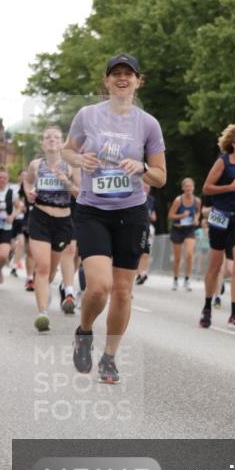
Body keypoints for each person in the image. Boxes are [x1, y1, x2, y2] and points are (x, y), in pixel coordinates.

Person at [62, 54, 166, 383]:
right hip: (93, 210)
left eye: (129, 74)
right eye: (116, 74)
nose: (122, 78)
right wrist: (80, 159)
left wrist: (143, 169)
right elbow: (66, 151)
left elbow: (162, 176)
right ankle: (85, 330)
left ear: (139, 81)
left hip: (132, 213)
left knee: (122, 292)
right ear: (106, 82)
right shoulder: (87, 115)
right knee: (99, 287)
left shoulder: (148, 124)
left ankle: (109, 357)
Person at [199, 125, 235, 330]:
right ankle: (207, 307)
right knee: (215, 265)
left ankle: (234, 314)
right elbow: (207, 188)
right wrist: (230, 188)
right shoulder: (222, 162)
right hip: (220, 216)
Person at [24, 126, 79, 331]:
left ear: (63, 142)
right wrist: (29, 192)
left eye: (56, 137)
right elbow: (28, 182)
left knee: (52, 270)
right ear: (42, 143)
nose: (52, 140)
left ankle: (49, 290)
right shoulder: (36, 165)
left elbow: (80, 193)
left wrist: (65, 183)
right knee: (43, 267)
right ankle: (43, 313)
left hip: (63, 221)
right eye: (48, 137)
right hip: (39, 218)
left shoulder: (71, 166)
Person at [168, 178, 200, 291]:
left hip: (189, 230)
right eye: (186, 186)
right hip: (177, 229)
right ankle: (175, 280)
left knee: (189, 255)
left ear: (193, 187)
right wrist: (181, 216)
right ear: (183, 188)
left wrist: (196, 219)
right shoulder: (178, 200)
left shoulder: (197, 201)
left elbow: (197, 212)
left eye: (190, 186)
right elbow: (170, 216)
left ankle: (187, 280)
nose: (188, 188)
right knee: (177, 258)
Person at [0, 168, 14, 284]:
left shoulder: (11, 192)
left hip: (6, 227)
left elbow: (21, 207)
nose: (2, 180)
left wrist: (13, 216)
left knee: (3, 256)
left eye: (4, 178)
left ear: (8, 179)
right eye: (0, 177)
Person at [135, 182, 156, 285]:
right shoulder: (134, 196)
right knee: (136, 251)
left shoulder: (151, 199)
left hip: (146, 227)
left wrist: (152, 217)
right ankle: (138, 273)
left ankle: (142, 273)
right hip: (134, 227)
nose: (146, 187)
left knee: (145, 251)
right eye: (144, 185)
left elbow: (153, 214)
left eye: (148, 186)